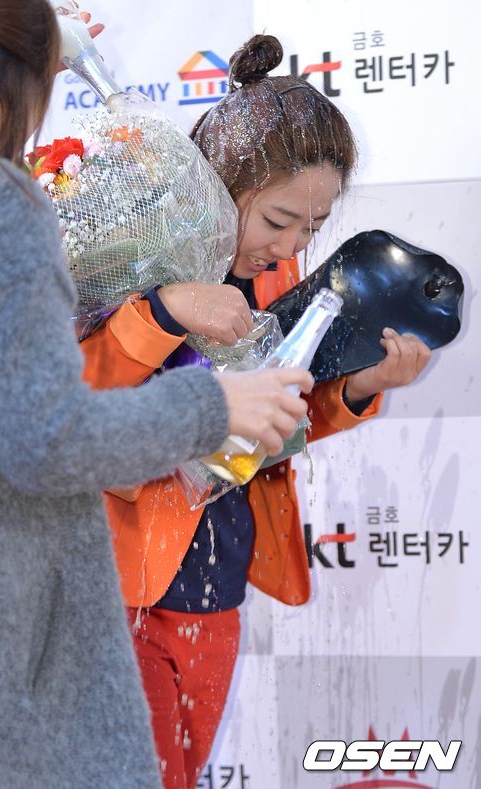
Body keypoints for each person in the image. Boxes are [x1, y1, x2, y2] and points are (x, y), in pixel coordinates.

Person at [81, 34, 432, 789]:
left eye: (312, 227)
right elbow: (72, 402)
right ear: (218, 182)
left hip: (219, 590)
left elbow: (273, 424)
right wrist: (164, 310)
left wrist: (360, 387)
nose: (291, 245)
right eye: (278, 220)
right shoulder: (133, 261)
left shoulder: (271, 287)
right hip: (118, 595)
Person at [0, 7, 314, 787]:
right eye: (278, 218)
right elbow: (46, 434)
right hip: (32, 612)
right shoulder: (4, 203)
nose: (289, 244)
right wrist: (211, 404)